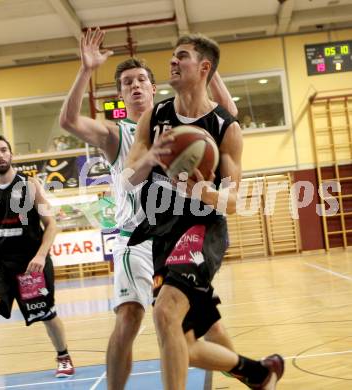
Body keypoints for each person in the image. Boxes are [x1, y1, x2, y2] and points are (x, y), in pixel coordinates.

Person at [60, 27, 239, 390]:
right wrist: (85, 70)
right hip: (136, 239)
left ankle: (252, 374)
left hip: (180, 235)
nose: (136, 85)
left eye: (142, 79)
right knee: (130, 318)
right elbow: (69, 122)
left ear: (155, 88)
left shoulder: (188, 122)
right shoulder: (118, 134)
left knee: (207, 327)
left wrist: (208, 64)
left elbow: (227, 114)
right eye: (128, 83)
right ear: (121, 95)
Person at [125, 33, 284, 389]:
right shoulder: (156, 116)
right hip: (162, 233)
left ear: (204, 67)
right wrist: (151, 157)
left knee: (165, 312)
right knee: (183, 340)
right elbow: (129, 178)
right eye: (172, 55)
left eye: (182, 56)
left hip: (202, 229)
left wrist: (200, 191)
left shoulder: (226, 127)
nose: (173, 61)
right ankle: (258, 373)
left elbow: (233, 201)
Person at [0, 135, 75, 378]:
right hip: (0, 263)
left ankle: (63, 356)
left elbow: (51, 225)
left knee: (45, 314)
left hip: (30, 262)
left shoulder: (30, 186)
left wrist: (41, 256)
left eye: (3, 150)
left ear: (11, 154)